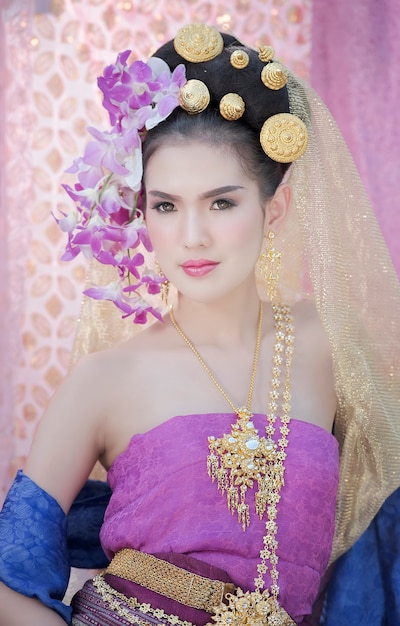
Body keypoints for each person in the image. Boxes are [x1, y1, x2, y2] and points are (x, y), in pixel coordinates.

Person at [0, 22, 399, 626]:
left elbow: (378, 542)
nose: (192, 237)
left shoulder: (333, 344)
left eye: (221, 202)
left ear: (276, 207)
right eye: (165, 205)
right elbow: (10, 576)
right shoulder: (104, 380)